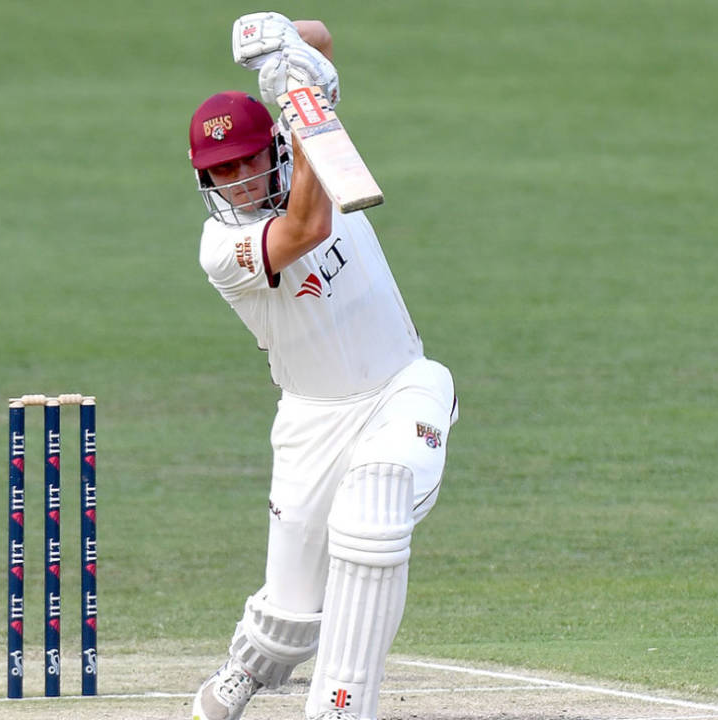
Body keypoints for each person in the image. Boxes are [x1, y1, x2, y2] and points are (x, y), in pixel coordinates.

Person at [187, 12, 458, 720]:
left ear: (271, 147)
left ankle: (339, 707)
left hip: (403, 385)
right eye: (219, 172)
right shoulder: (223, 249)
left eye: (245, 161)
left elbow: (323, 42)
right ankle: (248, 667)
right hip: (311, 422)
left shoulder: (307, 146)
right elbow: (308, 226)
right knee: (289, 615)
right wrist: (314, 114)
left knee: (374, 510)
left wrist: (284, 39)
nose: (237, 181)